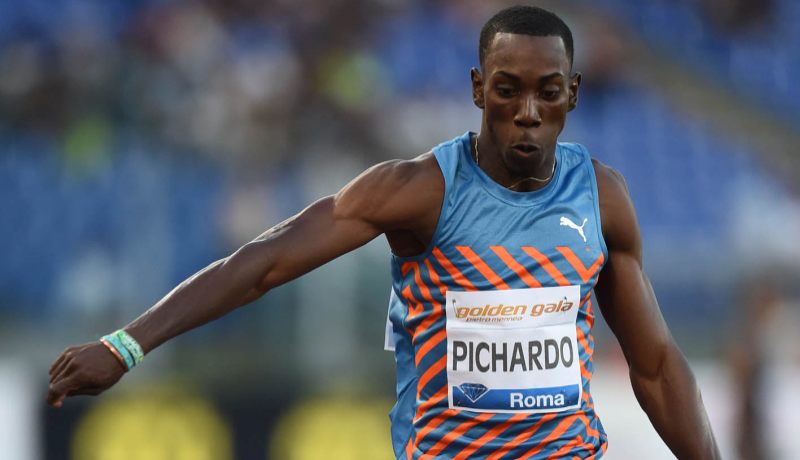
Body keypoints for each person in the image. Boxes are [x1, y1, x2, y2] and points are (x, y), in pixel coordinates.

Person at [47, 5, 720, 459]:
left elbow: (656, 365)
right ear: (478, 88)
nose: (527, 112)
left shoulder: (601, 197)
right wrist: (127, 345)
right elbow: (264, 262)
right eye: (507, 89)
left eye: (547, 91)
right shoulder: (417, 191)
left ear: (571, 92)